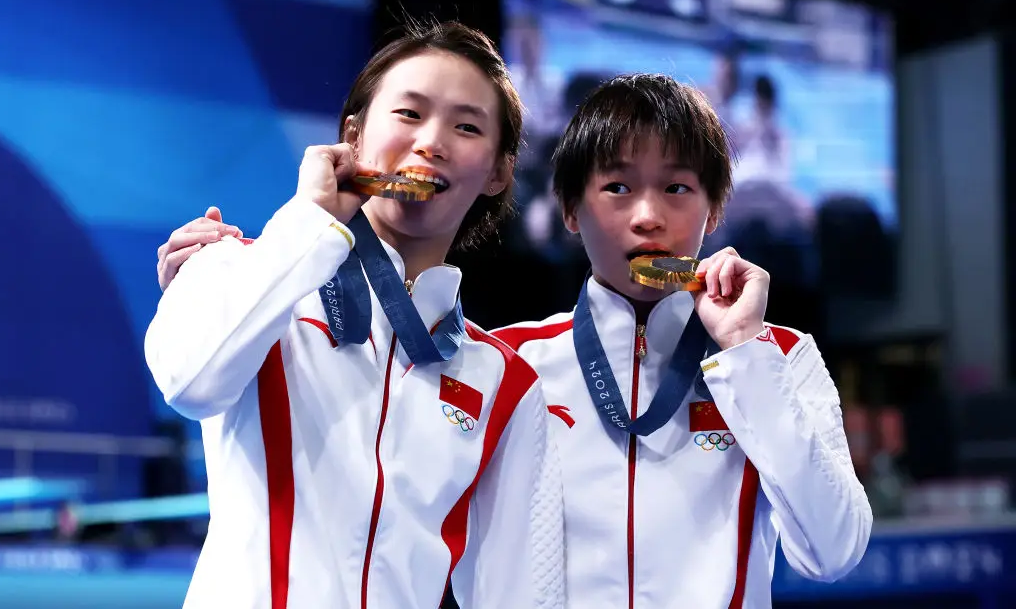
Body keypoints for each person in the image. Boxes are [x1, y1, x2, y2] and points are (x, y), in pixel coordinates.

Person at [159, 73, 871, 608]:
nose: (649, 217)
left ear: (715, 207)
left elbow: (833, 550)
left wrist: (744, 352)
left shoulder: (778, 358)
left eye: (679, 190)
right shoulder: (507, 366)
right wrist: (229, 278)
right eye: (617, 188)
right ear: (567, 211)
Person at [145, 19, 564, 609]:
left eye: (467, 126)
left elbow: (519, 595)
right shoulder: (237, 271)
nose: (432, 142)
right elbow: (189, 382)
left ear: (498, 171)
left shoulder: (506, 385)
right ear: (353, 135)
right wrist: (310, 220)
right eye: (409, 114)